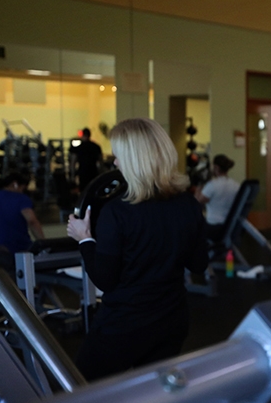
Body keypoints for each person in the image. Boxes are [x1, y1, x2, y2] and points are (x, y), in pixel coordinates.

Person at [67, 118, 207, 381]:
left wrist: (84, 238)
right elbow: (198, 264)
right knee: (154, 398)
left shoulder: (117, 213)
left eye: (118, 156)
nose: (115, 163)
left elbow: (106, 280)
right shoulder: (188, 204)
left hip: (124, 325)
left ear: (134, 159)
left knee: (81, 394)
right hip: (172, 321)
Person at [0, 173, 46, 254]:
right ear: (15, 185)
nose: (22, 192)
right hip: (20, 248)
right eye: (22, 189)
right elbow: (32, 220)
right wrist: (44, 244)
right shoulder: (21, 199)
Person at [194, 154, 241, 242]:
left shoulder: (212, 185)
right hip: (230, 226)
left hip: (213, 227)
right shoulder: (236, 185)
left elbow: (197, 200)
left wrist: (199, 184)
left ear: (215, 167)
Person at [71, 127, 103, 193]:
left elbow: (73, 162)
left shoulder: (78, 148)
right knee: (93, 191)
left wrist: (73, 175)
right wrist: (101, 173)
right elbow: (101, 161)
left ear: (82, 135)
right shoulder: (96, 147)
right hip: (93, 172)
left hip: (83, 172)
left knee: (83, 192)